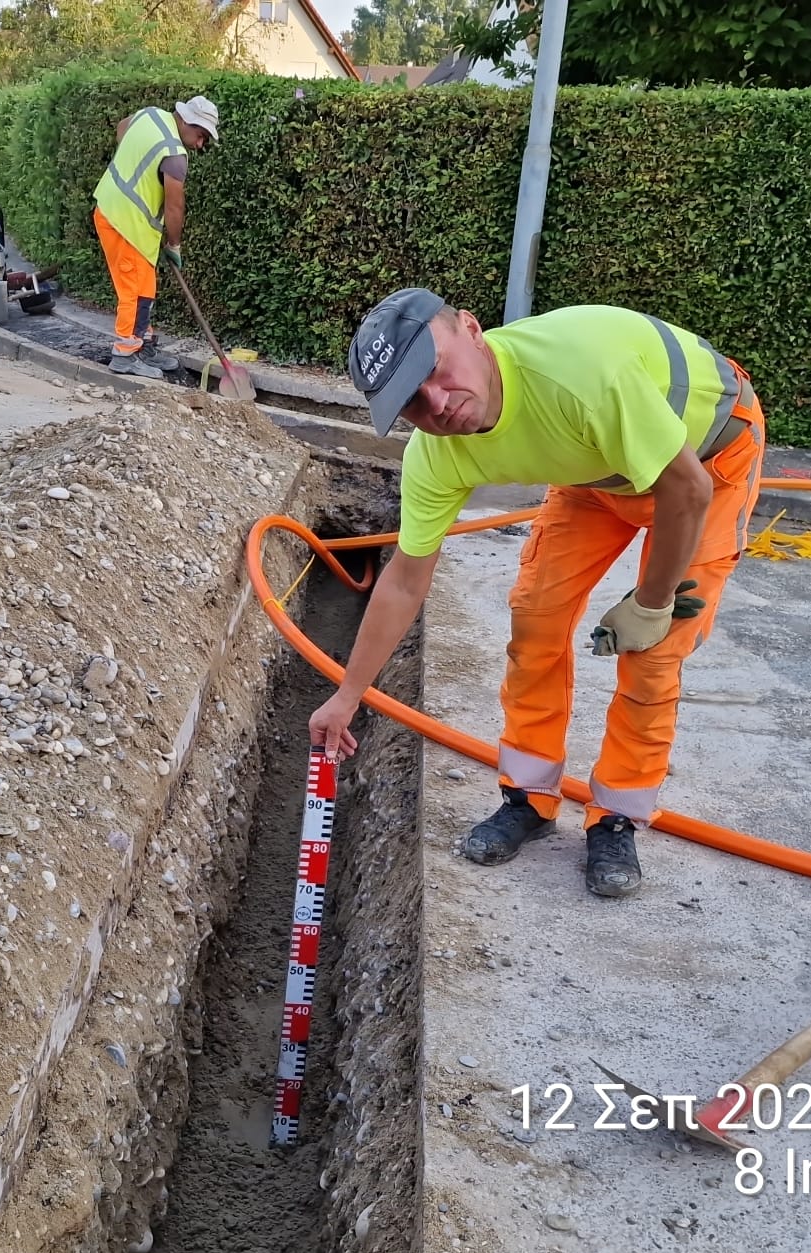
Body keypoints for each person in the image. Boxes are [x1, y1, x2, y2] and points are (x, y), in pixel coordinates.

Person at [308, 288, 765, 896]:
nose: (438, 405)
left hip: (707, 462)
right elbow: (404, 578)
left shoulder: (578, 374)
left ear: (471, 329)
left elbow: (684, 491)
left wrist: (651, 603)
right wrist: (347, 695)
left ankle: (617, 816)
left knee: (654, 651)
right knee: (536, 619)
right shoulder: (438, 454)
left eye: (437, 373)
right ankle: (528, 797)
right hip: (597, 473)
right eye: (412, 402)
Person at [92, 96, 219, 379]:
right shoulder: (174, 156)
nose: (200, 144)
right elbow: (175, 207)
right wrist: (175, 244)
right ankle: (124, 355)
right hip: (123, 222)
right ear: (186, 121)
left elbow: (122, 129)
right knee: (133, 292)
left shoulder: (150, 115)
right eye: (200, 136)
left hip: (120, 215)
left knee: (145, 288)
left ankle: (143, 345)